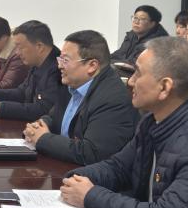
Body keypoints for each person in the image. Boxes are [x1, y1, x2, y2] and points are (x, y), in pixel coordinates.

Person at [60, 37, 188, 208]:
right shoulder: (151, 121)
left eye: (138, 73)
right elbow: (119, 167)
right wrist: (77, 178)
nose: (131, 81)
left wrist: (91, 196)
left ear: (164, 87)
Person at [23, 30, 138, 165]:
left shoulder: (112, 99)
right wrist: (39, 126)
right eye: (60, 59)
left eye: (65, 60)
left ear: (92, 66)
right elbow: (54, 117)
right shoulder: (72, 83)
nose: (59, 66)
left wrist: (43, 139)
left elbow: (91, 153)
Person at [0, 20, 65, 122]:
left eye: (20, 47)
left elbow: (43, 110)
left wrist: (0, 108)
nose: (17, 52)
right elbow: (22, 92)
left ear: (39, 46)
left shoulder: (58, 70)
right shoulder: (36, 62)